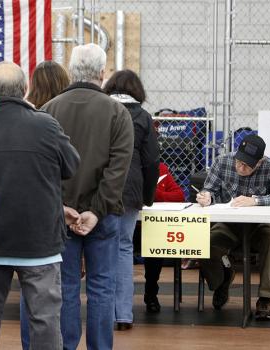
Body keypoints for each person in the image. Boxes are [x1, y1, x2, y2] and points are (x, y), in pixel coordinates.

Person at [0, 62, 80, 350]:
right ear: (24, 89)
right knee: (44, 319)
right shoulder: (45, 124)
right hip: (39, 239)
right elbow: (71, 165)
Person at [42, 44, 134, 350]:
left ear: (71, 70)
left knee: (66, 287)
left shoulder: (50, 110)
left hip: (62, 215)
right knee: (102, 287)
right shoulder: (118, 113)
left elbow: (44, 168)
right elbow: (117, 170)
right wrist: (96, 211)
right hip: (105, 216)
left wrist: (61, 206)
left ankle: (67, 346)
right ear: (102, 73)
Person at [196, 134, 270, 320]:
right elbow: (209, 189)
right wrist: (206, 196)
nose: (240, 167)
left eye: (247, 165)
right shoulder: (222, 162)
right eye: (239, 162)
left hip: (259, 225)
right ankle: (221, 282)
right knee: (205, 245)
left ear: (259, 162)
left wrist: (256, 200)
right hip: (228, 224)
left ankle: (265, 298)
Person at [103, 69, 160, 331]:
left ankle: (101, 312)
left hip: (100, 187)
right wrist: (146, 197)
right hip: (130, 189)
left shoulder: (100, 110)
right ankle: (123, 315)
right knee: (124, 248)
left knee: (100, 248)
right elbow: (151, 161)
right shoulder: (143, 117)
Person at [21, 59, 72, 350]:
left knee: (35, 290)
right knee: (55, 290)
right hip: (63, 207)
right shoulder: (53, 120)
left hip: (35, 208)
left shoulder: (32, 116)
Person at [135, 162, 186, 313]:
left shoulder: (160, 169)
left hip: (151, 227)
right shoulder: (127, 167)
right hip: (130, 227)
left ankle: (151, 293)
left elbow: (179, 195)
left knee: (156, 245)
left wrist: (156, 195)